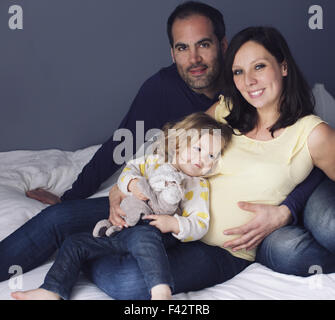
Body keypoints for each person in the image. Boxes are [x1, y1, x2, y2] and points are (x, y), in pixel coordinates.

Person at [0, 2, 332, 298]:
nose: (249, 81)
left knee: (126, 282)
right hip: (166, 200)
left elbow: (317, 173)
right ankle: (91, 241)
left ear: (283, 67)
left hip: (218, 246)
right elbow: (150, 144)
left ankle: (87, 249)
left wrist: (287, 210)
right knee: (57, 218)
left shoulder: (311, 133)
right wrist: (121, 186)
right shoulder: (228, 106)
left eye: (260, 67)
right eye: (239, 72)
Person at [11, 113, 232, 300]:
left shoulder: (197, 185)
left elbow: (200, 223)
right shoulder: (154, 162)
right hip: (121, 229)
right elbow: (128, 172)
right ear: (178, 143)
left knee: (143, 236)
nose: (203, 159)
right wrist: (132, 184)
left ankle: (160, 289)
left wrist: (174, 223)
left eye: (212, 156)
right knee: (75, 242)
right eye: (198, 149)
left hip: (154, 233)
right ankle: (52, 289)